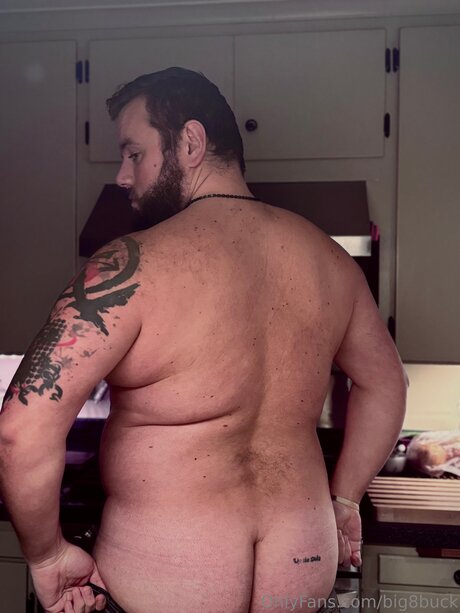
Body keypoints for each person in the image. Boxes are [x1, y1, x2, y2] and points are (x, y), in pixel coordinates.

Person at [0, 67, 407, 613]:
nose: (122, 176)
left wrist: (48, 557)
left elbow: (20, 430)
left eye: (134, 153)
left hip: (164, 587)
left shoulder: (130, 266)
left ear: (190, 142)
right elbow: (387, 383)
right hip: (301, 574)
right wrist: (345, 498)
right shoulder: (331, 262)